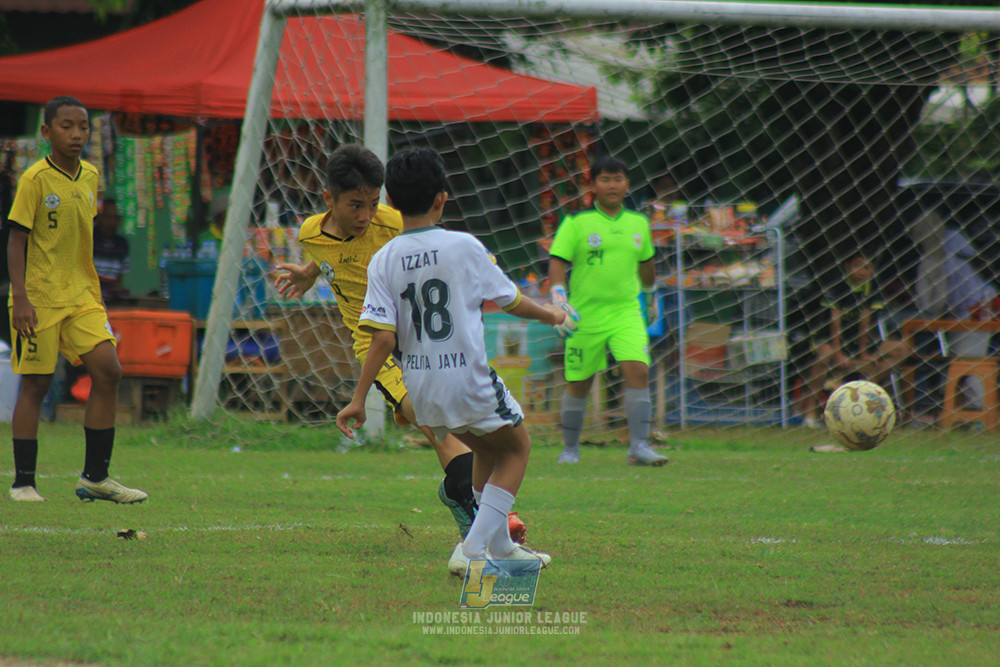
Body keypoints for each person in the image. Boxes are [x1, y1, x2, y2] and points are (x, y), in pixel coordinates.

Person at [272, 144, 524, 573]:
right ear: (329, 199)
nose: (366, 215)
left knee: (455, 427)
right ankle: (479, 528)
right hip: (379, 349)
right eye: (355, 206)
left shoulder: (394, 222)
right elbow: (325, 253)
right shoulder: (310, 232)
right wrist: (308, 273)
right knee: (436, 426)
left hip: (425, 345)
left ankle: (475, 515)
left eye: (373, 204)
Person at [336, 146, 573, 573]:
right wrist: (552, 313)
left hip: (422, 391)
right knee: (517, 449)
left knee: (486, 452)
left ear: (389, 201)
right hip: (467, 379)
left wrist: (358, 399)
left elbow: (382, 339)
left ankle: (502, 548)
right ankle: (472, 549)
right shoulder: (463, 245)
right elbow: (511, 300)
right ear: (442, 198)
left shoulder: (382, 259)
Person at [5, 96, 147, 503]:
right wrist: (21, 297)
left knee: (109, 370)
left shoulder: (90, 176)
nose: (76, 134)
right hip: (39, 299)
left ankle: (95, 478)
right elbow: (16, 240)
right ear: (47, 132)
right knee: (37, 384)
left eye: (83, 126)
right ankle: (23, 483)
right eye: (66, 126)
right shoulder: (34, 179)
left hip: (82, 296)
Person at [548, 155, 668, 466]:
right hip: (585, 315)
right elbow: (557, 261)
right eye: (605, 179)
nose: (612, 185)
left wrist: (651, 297)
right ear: (593, 185)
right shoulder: (576, 222)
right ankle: (570, 449)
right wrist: (559, 298)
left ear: (627, 185)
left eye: (618, 179)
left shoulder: (638, 223)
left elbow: (647, 264)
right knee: (579, 382)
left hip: (626, 312)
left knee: (638, 370)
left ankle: (639, 447)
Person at [800, 253, 911, 426]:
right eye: (857, 266)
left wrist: (864, 352)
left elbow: (866, 321)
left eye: (867, 267)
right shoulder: (837, 284)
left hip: (857, 341)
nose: (862, 271)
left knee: (902, 349)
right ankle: (810, 412)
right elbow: (834, 321)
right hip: (829, 339)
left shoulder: (872, 286)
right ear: (847, 267)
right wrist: (838, 353)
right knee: (825, 355)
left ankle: (862, 392)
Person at [92, 199, 130, 304]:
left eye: (115, 218)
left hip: (111, 300)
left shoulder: (122, 244)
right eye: (107, 217)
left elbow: (119, 280)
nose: (111, 223)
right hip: (91, 298)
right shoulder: (89, 239)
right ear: (99, 218)